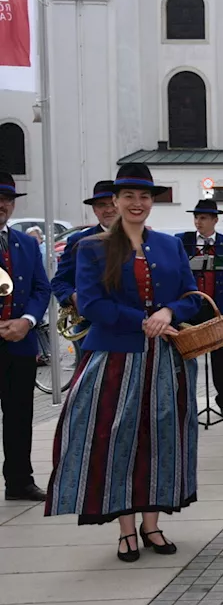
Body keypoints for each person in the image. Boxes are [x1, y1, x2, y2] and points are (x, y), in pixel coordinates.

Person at [45, 164, 203, 561]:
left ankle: (152, 524)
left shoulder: (169, 245)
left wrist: (168, 312)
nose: (137, 203)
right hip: (116, 356)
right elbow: (93, 304)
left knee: (162, 438)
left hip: (166, 358)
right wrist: (143, 320)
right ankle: (126, 529)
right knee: (116, 439)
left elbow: (192, 294)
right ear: (114, 202)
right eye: (129, 196)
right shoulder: (93, 247)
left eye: (145, 196)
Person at [0, 173, 51, 502]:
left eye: (7, 199)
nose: (2, 205)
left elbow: (41, 287)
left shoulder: (26, 242)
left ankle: (19, 481)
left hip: (20, 342)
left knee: (20, 415)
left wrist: (28, 321)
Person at [177, 199, 223, 418]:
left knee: (220, 358)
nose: (198, 222)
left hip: (216, 306)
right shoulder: (182, 242)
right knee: (184, 357)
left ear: (215, 220)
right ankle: (183, 402)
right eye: (196, 217)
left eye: (203, 217)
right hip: (190, 307)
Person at [52, 181, 119, 323]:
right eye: (102, 205)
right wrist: (73, 297)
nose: (108, 210)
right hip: (90, 325)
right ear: (94, 209)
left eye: (113, 204)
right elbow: (60, 282)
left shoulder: (139, 238)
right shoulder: (79, 240)